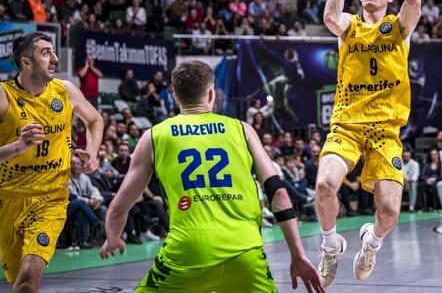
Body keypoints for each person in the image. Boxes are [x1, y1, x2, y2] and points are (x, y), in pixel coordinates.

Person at [98, 60, 322, 293]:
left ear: (175, 96)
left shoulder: (154, 136)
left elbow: (119, 207)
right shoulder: (242, 129)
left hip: (187, 253)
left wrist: (113, 237)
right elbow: (279, 193)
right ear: (212, 93)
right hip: (244, 252)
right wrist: (298, 255)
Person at [315, 0, 422, 287]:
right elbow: (331, 17)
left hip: (385, 131)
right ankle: (330, 247)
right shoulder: (350, 25)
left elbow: (414, 2)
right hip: (346, 125)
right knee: (325, 184)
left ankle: (370, 243)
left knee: (389, 210)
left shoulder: (398, 29)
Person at [0, 32, 103, 292]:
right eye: (46, 53)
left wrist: (92, 151)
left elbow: (95, 119)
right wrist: (18, 146)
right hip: (8, 199)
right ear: (26, 62)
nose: (55, 59)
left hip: (51, 199)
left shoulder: (65, 90)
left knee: (29, 279)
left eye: (53, 52)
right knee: (19, 284)